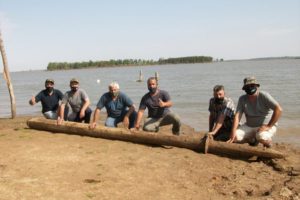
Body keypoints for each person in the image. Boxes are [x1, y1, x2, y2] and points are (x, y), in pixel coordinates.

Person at [227, 76, 282, 148]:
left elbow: (278, 109)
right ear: (244, 89)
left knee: (261, 136)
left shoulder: (264, 95)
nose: (250, 88)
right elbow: (237, 116)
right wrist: (233, 131)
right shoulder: (242, 99)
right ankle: (253, 141)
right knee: (235, 137)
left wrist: (269, 126)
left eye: (252, 85)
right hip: (249, 126)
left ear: (256, 86)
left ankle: (267, 146)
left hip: (265, 126)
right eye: (247, 86)